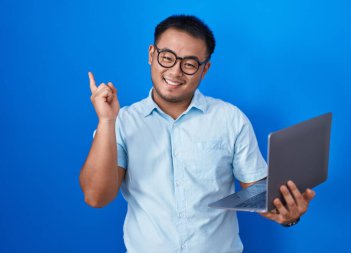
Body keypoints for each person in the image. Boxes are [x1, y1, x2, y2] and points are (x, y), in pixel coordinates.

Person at [79, 15, 316, 253]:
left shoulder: (230, 119)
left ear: (205, 69)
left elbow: (263, 197)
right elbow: (95, 197)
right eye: (167, 58)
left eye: (190, 64)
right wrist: (107, 120)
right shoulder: (123, 121)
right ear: (152, 54)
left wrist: (287, 213)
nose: (175, 71)